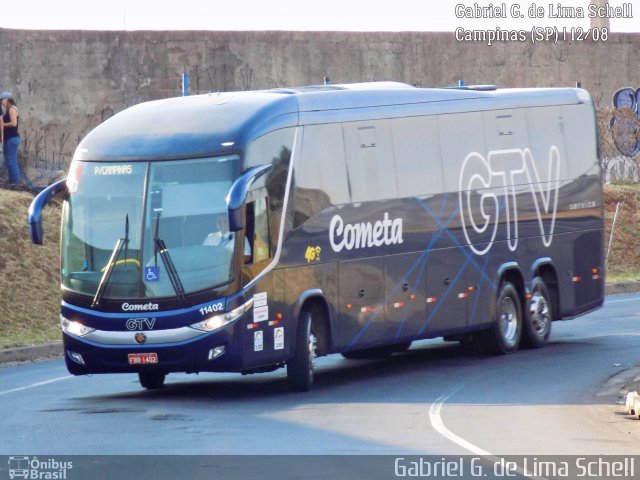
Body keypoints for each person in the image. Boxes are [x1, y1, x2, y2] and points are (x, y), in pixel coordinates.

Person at [1, 92, 20, 185]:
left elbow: (14, 123)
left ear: (7, 99)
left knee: (11, 161)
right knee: (9, 161)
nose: (1, 102)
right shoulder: (8, 110)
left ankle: (15, 184)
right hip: (9, 138)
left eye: (2, 100)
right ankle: (12, 182)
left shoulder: (12, 109)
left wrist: (2, 124)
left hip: (12, 138)